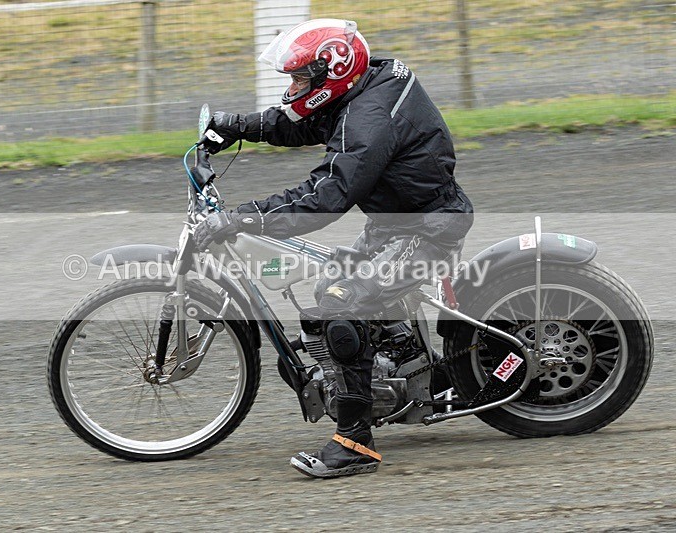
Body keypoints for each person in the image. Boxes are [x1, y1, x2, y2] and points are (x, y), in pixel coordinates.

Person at [193, 18, 473, 478]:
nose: (293, 88)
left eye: (300, 78)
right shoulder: (363, 87)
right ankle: (419, 372)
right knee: (328, 285)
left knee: (340, 307)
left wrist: (244, 217)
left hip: (426, 230)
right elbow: (308, 124)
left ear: (333, 73)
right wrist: (237, 126)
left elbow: (326, 196)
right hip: (397, 223)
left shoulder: (369, 118)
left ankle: (355, 442)